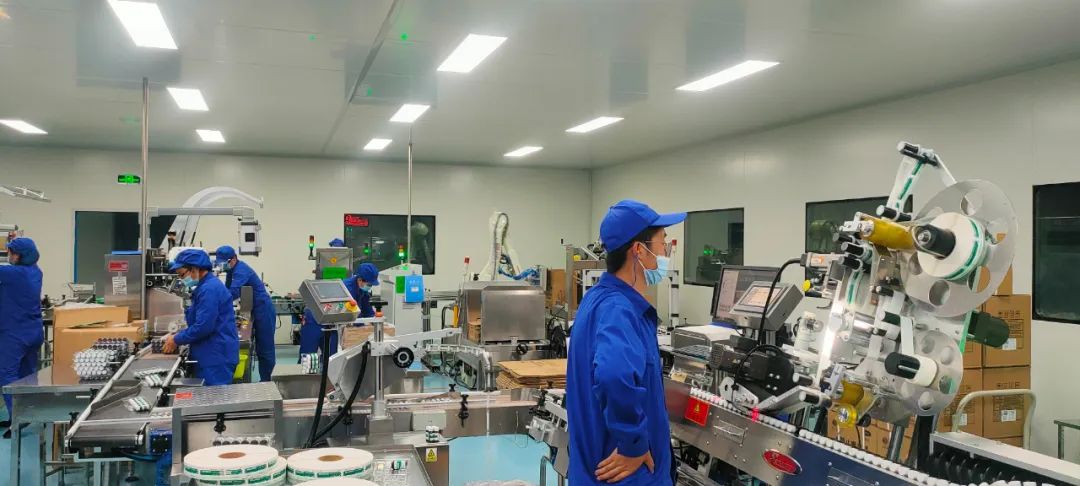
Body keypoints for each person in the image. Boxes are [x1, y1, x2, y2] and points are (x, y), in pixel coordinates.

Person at [566, 200, 685, 485]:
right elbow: (613, 375)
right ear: (638, 250)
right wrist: (633, 444)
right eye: (662, 243)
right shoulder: (619, 309)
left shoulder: (596, 298)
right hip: (627, 475)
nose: (664, 253)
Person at [163, 249, 239, 386]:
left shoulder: (209, 289)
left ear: (195, 269)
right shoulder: (204, 286)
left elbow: (204, 326)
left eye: (182, 274)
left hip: (215, 357)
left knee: (214, 397)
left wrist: (176, 339)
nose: (182, 279)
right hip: (212, 353)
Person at [0, 238, 44, 434]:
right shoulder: (36, 271)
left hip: (15, 333)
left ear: (19, 255)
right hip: (33, 331)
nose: (8, 256)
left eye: (10, 252)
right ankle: (27, 415)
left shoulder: (13, 273)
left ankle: (17, 419)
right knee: (27, 375)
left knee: (7, 375)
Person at [214, 246, 277, 382]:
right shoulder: (231, 271)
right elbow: (226, 290)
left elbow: (232, 292)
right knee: (260, 348)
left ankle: (267, 381)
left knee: (265, 348)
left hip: (263, 309)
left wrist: (214, 304)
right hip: (253, 308)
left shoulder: (241, 270)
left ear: (233, 259)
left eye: (224, 263)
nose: (222, 266)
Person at [298, 262, 379, 356]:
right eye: (369, 284)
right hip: (314, 319)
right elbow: (351, 313)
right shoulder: (347, 288)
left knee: (331, 356)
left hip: (331, 322)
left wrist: (376, 322)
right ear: (360, 280)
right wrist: (360, 326)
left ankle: (326, 366)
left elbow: (367, 309)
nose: (370, 287)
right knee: (308, 355)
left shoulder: (362, 290)